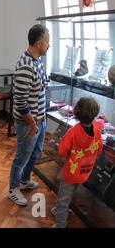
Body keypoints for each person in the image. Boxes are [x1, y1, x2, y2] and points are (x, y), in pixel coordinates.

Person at [8, 24, 50, 206]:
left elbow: (40, 89)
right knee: (22, 157)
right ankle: (13, 189)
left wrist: (42, 119)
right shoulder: (25, 66)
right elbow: (21, 102)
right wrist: (33, 124)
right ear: (39, 43)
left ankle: (24, 181)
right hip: (29, 124)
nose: (49, 45)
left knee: (35, 154)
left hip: (40, 121)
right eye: (48, 42)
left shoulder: (38, 61)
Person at [52, 97, 103, 228]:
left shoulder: (73, 132)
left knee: (63, 198)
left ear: (77, 112)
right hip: (85, 172)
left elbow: (62, 151)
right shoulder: (97, 131)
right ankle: (60, 210)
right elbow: (99, 149)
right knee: (70, 193)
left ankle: (60, 224)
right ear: (94, 114)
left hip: (71, 173)